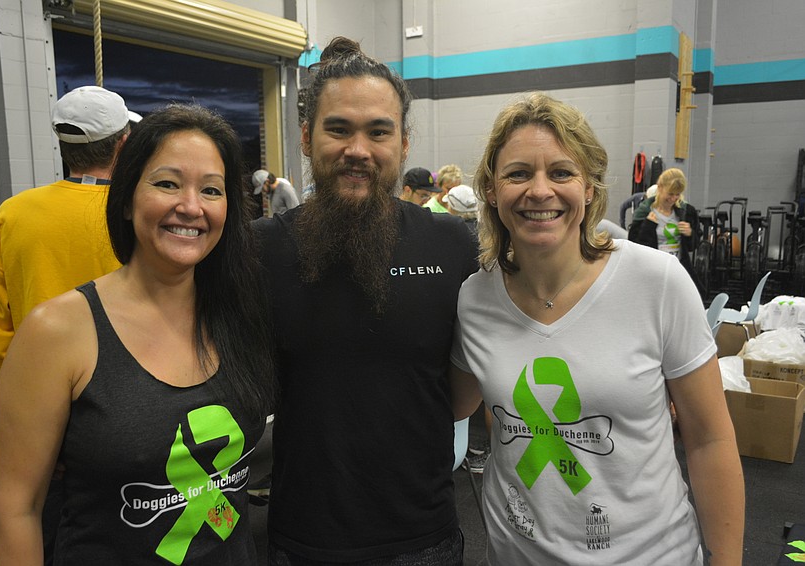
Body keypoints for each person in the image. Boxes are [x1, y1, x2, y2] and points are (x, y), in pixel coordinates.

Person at [449, 92, 744, 564]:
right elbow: (465, 404)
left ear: (589, 188)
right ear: (491, 189)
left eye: (561, 172)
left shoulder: (656, 282)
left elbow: (710, 440)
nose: (540, 190)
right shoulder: (474, 297)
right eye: (518, 173)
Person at [0, 104, 276, 565]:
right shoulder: (58, 331)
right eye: (166, 183)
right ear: (125, 199)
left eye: (211, 190)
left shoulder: (241, 316)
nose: (190, 206)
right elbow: (14, 512)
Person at [253, 36, 478, 565]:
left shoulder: (451, 246)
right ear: (307, 138)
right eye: (338, 129)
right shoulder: (259, 248)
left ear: (403, 144)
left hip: (424, 538)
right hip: (302, 538)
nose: (358, 149)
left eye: (379, 131)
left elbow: (467, 387)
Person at [0, 85, 137, 380]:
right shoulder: (137, 211)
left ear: (63, 144)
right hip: (128, 382)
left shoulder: (13, 212)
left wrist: (17, 383)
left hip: (38, 379)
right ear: (123, 144)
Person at [628, 167, 702, 292]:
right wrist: (648, 226)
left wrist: (690, 234)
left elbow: (693, 246)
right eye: (670, 193)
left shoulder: (686, 212)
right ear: (660, 188)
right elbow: (634, 247)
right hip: (653, 273)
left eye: (677, 194)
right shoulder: (644, 212)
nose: (673, 198)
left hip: (678, 271)